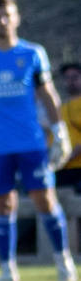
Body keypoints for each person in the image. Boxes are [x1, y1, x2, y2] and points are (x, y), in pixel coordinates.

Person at [0, 0, 77, 281]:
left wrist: (60, 132)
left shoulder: (32, 53)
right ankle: (8, 268)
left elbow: (48, 94)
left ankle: (64, 261)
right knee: (2, 203)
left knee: (44, 199)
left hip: (31, 141)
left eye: (8, 14)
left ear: (17, 17)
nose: (3, 20)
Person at [55, 61, 81, 191]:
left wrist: (74, 152)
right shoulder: (60, 108)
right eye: (67, 78)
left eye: (75, 77)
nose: (71, 81)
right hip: (64, 169)